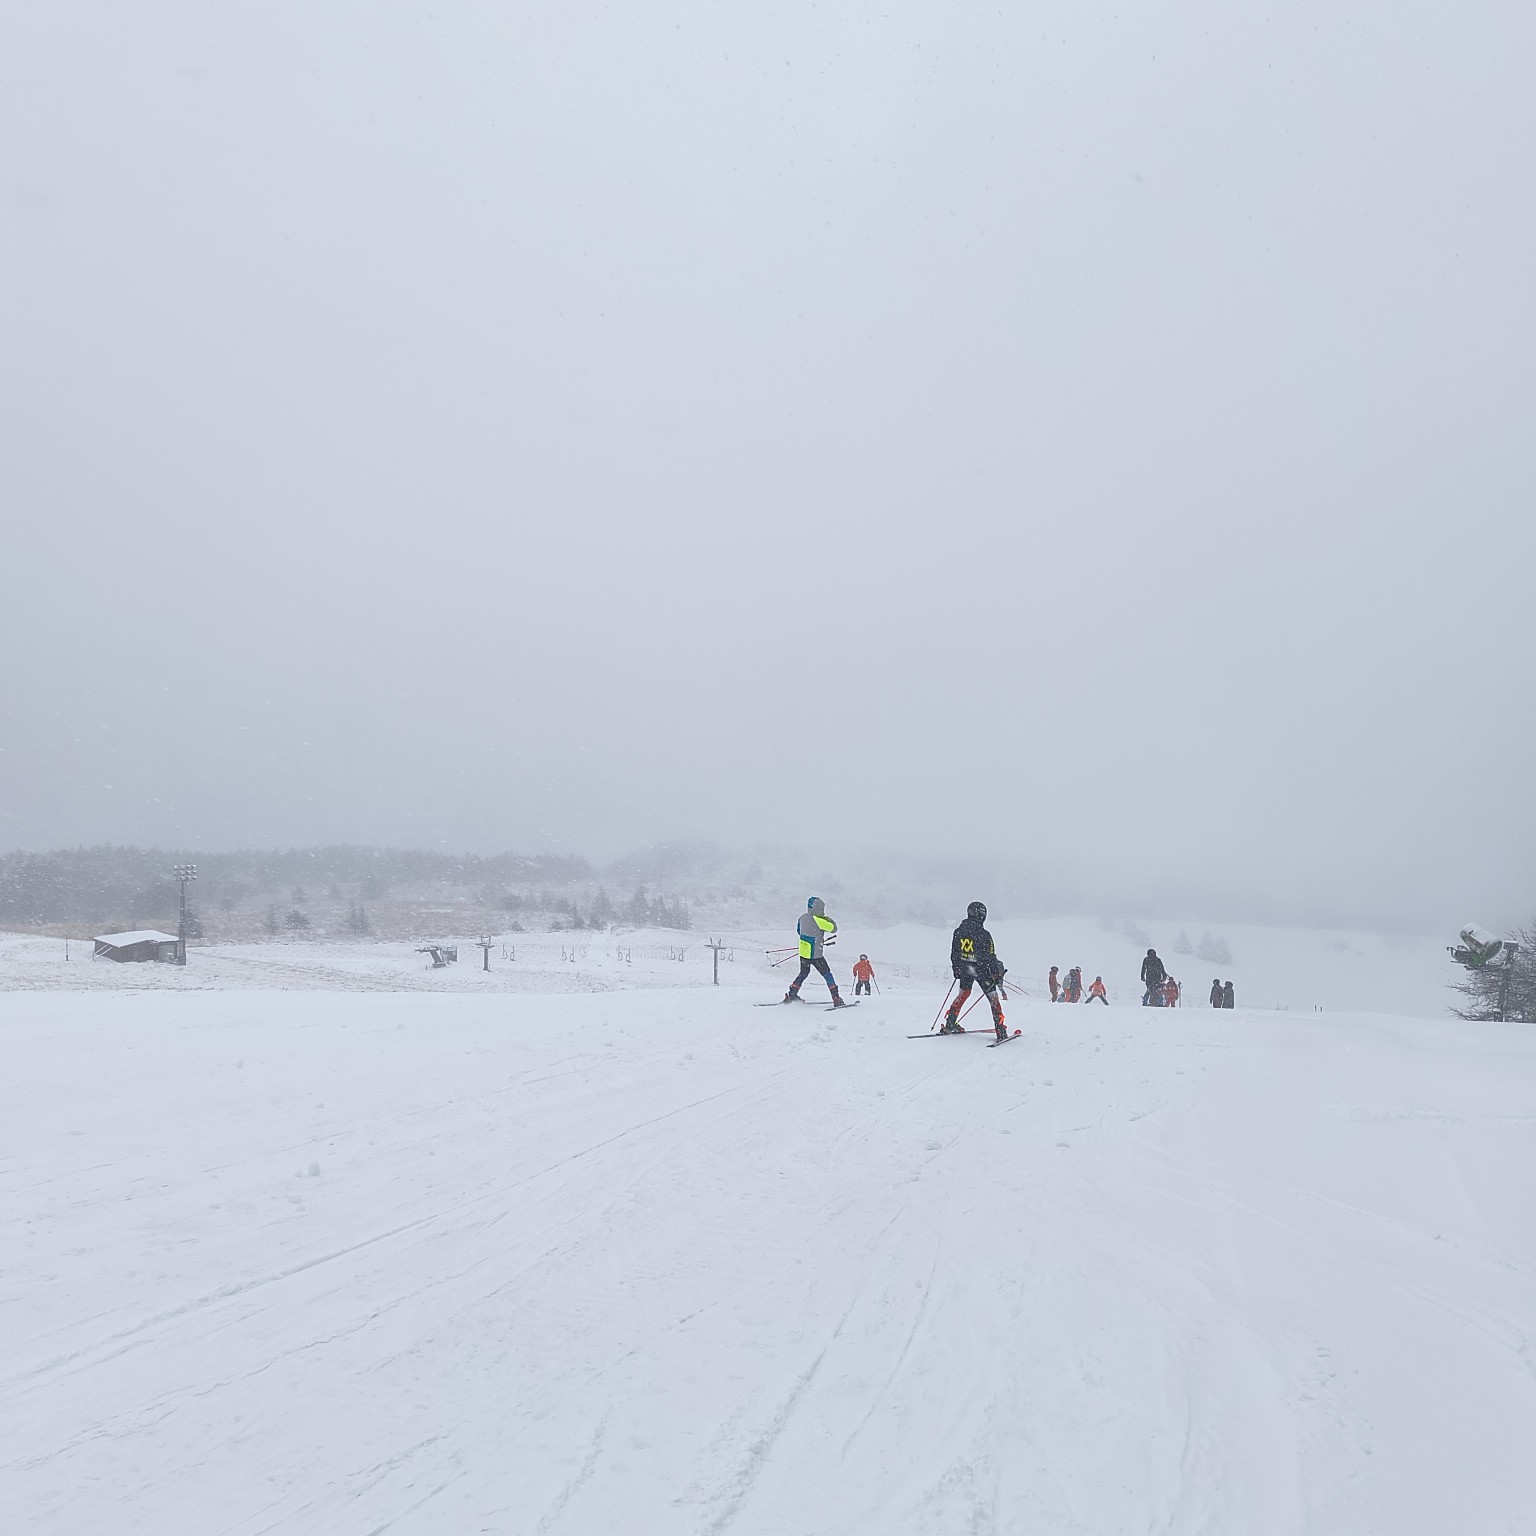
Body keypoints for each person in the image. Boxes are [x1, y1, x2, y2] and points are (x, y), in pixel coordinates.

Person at [941, 901, 1009, 1041]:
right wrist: (996, 973)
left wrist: (957, 968)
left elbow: (954, 952)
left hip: (965, 968)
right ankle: (1000, 1029)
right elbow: (990, 956)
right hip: (982, 970)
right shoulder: (984, 934)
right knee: (993, 998)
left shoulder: (958, 931)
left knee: (963, 994)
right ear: (982, 916)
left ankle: (950, 1023)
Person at [783, 897, 845, 1005]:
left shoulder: (802, 918)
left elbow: (799, 931)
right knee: (827, 974)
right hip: (816, 954)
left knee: (803, 973)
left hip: (804, 953)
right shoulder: (819, 920)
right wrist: (827, 919)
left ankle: (792, 994)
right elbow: (834, 928)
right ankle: (836, 997)